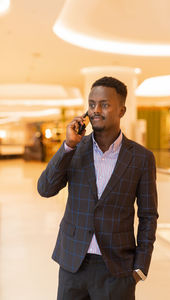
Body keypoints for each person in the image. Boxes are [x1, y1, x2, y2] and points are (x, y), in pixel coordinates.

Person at [37, 76, 158, 300]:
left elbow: (148, 215)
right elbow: (45, 189)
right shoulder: (75, 149)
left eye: (104, 104)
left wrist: (141, 265)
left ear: (122, 110)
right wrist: (68, 146)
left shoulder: (142, 158)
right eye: (91, 104)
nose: (95, 110)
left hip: (117, 269)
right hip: (73, 264)